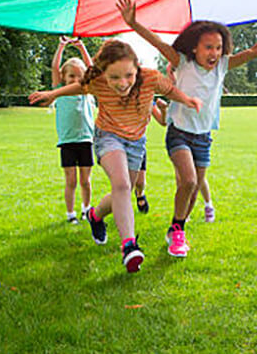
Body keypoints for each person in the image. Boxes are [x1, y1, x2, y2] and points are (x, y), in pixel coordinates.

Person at [121, 0, 257, 257]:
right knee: (188, 180)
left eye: (218, 47)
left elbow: (255, 50)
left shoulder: (223, 65)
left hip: (203, 137)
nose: (214, 52)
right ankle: (179, 232)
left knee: (191, 193)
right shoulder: (182, 62)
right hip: (179, 132)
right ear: (194, 48)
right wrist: (134, 23)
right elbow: (157, 43)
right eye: (208, 47)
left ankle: (175, 229)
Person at [29, 39, 201, 272]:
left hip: (136, 142)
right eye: (114, 78)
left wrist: (187, 100)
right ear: (103, 74)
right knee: (120, 184)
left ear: (137, 68)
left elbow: (169, 89)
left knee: (124, 190)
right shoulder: (97, 81)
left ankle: (95, 215)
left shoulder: (149, 78)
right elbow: (80, 86)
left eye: (128, 75)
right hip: (108, 137)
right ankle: (129, 246)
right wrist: (54, 94)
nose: (122, 83)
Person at [50, 36, 94, 224]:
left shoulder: (87, 90)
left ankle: (86, 210)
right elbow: (54, 68)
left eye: (79, 76)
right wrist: (62, 45)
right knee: (71, 181)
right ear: (63, 77)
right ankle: (70, 214)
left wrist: (80, 45)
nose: (76, 80)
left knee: (85, 180)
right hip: (67, 142)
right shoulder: (59, 90)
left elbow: (92, 68)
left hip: (86, 141)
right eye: (71, 76)